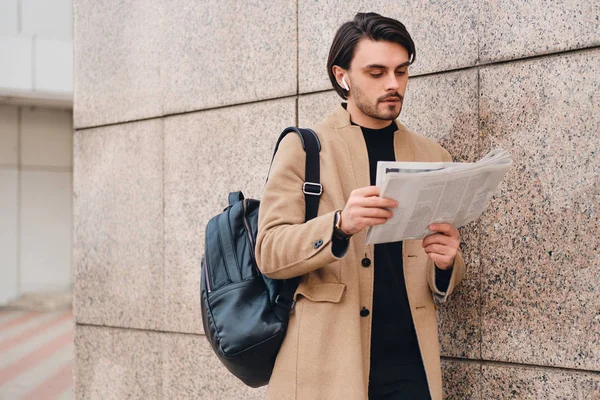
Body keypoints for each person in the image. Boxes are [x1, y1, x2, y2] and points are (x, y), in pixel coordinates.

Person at [256, 12, 465, 400]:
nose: (393, 84)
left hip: (411, 365)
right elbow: (269, 251)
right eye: (376, 72)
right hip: (330, 366)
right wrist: (337, 225)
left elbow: (441, 266)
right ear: (342, 75)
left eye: (401, 72)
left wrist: (448, 262)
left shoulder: (432, 154)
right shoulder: (306, 148)